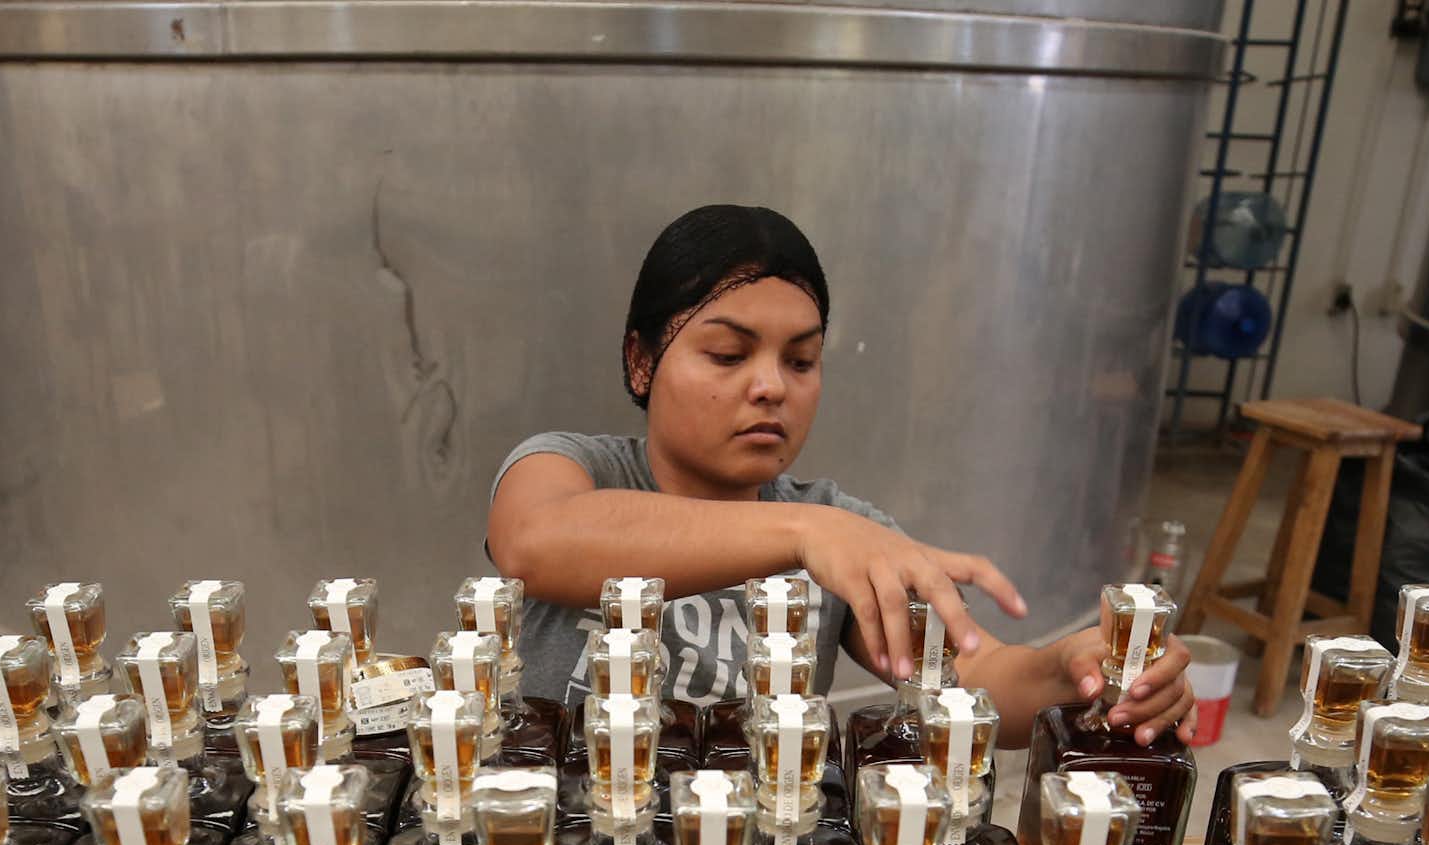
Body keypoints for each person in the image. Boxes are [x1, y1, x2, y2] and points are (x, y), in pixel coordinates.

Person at [485, 204, 1194, 748]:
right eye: (729, 355)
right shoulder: (572, 467)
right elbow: (534, 542)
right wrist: (803, 532)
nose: (771, 387)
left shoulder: (846, 535)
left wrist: (1071, 670)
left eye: (800, 361)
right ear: (642, 362)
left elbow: (974, 681)